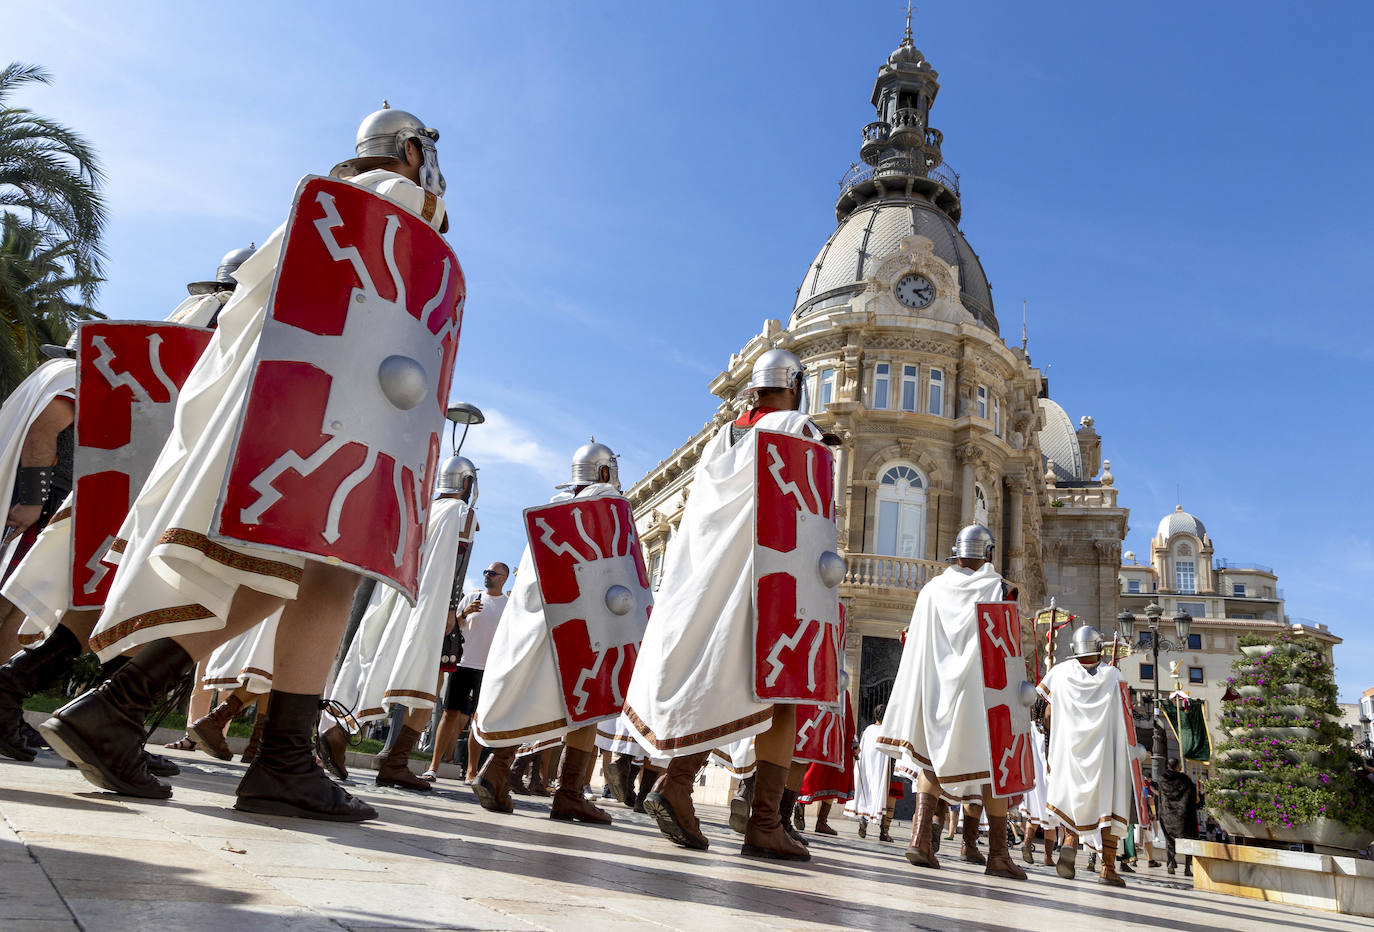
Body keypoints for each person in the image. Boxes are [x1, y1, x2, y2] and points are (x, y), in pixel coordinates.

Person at [38, 104, 457, 823]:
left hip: (282, 404)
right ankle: (274, 757)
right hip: (326, 413)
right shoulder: (397, 202)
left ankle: (124, 710)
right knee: (325, 566)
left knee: (274, 573)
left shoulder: (318, 212)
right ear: (414, 152)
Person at [0, 250, 251, 764]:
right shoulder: (223, 321)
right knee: (146, 606)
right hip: (157, 489)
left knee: (116, 608)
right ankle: (102, 718)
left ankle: (40, 697)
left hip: (129, 487)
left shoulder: (190, 313)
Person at [624, 348, 838, 862]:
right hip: (772, 582)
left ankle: (676, 783)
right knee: (784, 696)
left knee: (724, 681)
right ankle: (764, 824)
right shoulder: (797, 429)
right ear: (795, 387)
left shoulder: (725, 436)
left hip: (716, 581)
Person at [472, 441, 644, 825]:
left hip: (543, 624)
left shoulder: (553, 509)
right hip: (588, 626)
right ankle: (569, 794)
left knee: (530, 695)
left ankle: (497, 769)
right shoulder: (610, 507)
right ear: (605, 473)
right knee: (591, 703)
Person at [319, 454, 477, 792]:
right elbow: (458, 562)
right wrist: (450, 610)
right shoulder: (461, 513)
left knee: (383, 668)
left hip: (398, 601)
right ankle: (395, 761)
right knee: (429, 683)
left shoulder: (423, 510)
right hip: (432, 610)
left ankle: (343, 733)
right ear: (467, 484)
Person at [878, 523, 1027, 880]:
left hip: (935, 689)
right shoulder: (1002, 589)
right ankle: (998, 855)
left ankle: (920, 838)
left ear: (956, 554)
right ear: (988, 554)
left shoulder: (931, 590)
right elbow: (1009, 650)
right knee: (993, 767)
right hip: (981, 694)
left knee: (932, 758)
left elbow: (916, 646)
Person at [1037, 625, 1140, 887]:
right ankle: (1107, 867)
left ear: (1073, 650)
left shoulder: (1058, 673)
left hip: (1070, 753)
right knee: (1110, 802)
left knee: (1072, 798)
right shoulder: (1114, 676)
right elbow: (1126, 720)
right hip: (1105, 755)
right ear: (1099, 649)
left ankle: (1070, 840)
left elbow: (1045, 714)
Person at [421, 560, 508, 783]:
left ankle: (471, 772)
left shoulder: (509, 605)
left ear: (503, 578)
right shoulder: (472, 598)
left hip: (489, 671)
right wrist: (464, 613)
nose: (487, 575)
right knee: (449, 714)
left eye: (492, 573)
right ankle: (433, 766)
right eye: (486, 571)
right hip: (463, 665)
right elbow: (451, 626)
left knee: (477, 721)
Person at [847, 705, 895, 842]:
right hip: (881, 770)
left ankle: (864, 819)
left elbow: (861, 749)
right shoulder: (888, 731)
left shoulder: (868, 730)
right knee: (881, 796)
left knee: (867, 792)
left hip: (867, 768)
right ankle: (883, 831)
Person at [1159, 757, 1199, 876]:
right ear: (1178, 766)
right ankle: (1187, 868)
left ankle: (1171, 862)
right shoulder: (1185, 780)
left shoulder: (1162, 779)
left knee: (1170, 840)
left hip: (1167, 816)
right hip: (1183, 816)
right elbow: (1194, 797)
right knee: (1187, 840)